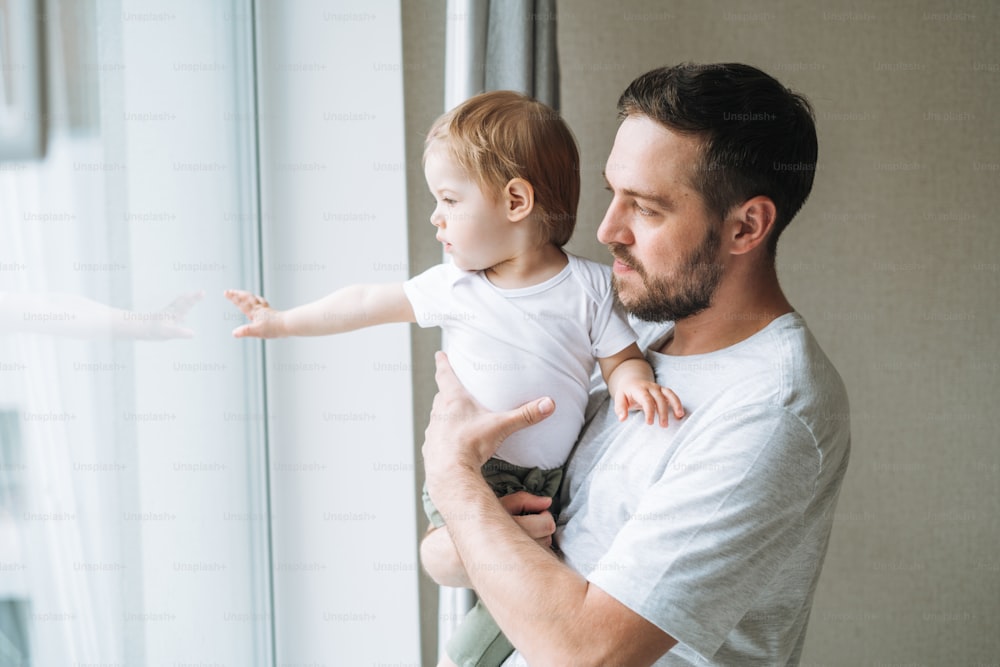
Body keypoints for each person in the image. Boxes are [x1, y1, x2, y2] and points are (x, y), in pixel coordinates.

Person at [224, 90, 683, 667]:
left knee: (533, 587)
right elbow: (366, 301)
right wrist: (283, 322)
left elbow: (620, 358)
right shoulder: (455, 286)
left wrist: (633, 383)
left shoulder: (588, 287)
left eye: (448, 199)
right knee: (512, 590)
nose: (435, 218)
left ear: (516, 200)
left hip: (550, 479)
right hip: (476, 473)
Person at [420, 63, 852, 666]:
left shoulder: (768, 411)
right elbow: (450, 554)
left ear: (745, 226)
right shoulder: (633, 329)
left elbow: (590, 654)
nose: (605, 229)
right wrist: (464, 530)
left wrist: (450, 475)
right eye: (610, 193)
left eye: (646, 209)